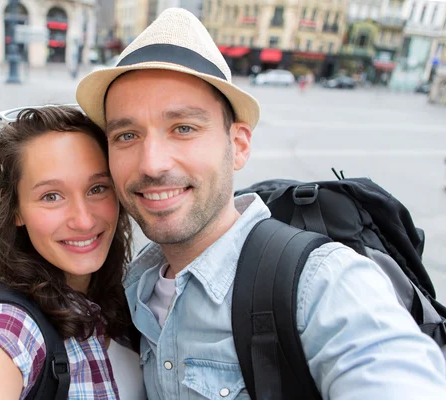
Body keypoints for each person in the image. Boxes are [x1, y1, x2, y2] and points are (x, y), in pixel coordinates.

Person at [76, 7, 446, 400]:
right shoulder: (134, 287)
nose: (151, 164)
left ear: (238, 146)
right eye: (127, 135)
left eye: (183, 128)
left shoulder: (322, 284)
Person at [0, 106, 145, 399]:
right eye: (51, 196)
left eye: (97, 188)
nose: (83, 220)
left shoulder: (131, 297)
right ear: (15, 208)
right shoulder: (6, 331)